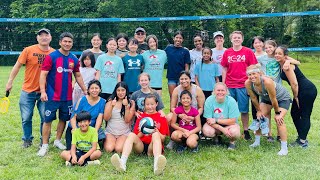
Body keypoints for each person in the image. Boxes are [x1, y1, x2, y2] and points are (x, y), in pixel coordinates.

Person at [38, 32, 87, 157]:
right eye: (65, 41)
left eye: (69, 42)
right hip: (52, 96)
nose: (67, 44)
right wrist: (43, 91)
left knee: (63, 119)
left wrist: (85, 90)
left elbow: (78, 75)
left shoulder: (74, 59)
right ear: (60, 42)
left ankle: (58, 141)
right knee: (47, 120)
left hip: (67, 97)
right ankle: (44, 145)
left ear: (72, 43)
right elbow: (43, 74)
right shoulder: (51, 57)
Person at [5, 28, 54, 148]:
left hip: (45, 92)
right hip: (28, 90)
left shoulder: (54, 53)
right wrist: (10, 82)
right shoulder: (28, 50)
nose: (43, 37)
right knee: (26, 118)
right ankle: (27, 140)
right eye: (40, 35)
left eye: (46, 35)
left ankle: (44, 141)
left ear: (50, 38)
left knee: (45, 117)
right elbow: (17, 66)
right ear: (37, 38)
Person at [110, 94, 169, 175]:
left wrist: (156, 131)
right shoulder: (141, 117)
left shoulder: (161, 117)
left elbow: (163, 139)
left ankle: (157, 166)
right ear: (144, 105)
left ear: (157, 104)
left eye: (152, 104)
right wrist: (142, 132)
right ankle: (122, 163)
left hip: (153, 147)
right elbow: (136, 137)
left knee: (155, 135)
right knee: (131, 135)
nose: (150, 107)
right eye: (147, 104)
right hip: (141, 147)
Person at [275, 46, 317, 148]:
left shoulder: (287, 66)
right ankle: (301, 137)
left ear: (285, 55)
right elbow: (297, 62)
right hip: (301, 90)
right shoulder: (283, 63)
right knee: (295, 113)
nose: (277, 55)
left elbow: (294, 84)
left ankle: (302, 141)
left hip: (306, 90)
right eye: (275, 53)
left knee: (304, 114)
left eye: (279, 53)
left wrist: (296, 97)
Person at [245, 64, 291, 155]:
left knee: (279, 120)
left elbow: (274, 99)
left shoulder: (267, 82)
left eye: (254, 73)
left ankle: (284, 148)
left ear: (259, 73)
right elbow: (254, 98)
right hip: (267, 99)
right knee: (259, 117)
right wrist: (258, 110)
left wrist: (278, 113)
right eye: (249, 74)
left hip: (282, 98)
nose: (252, 76)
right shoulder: (248, 83)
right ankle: (257, 142)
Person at [221, 31, 258, 140]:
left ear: (242, 39)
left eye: (238, 38)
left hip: (243, 85)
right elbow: (224, 68)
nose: (236, 39)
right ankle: (230, 129)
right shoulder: (227, 52)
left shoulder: (248, 52)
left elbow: (253, 68)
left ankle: (246, 131)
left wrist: (250, 84)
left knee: (244, 110)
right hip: (230, 85)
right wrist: (223, 84)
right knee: (229, 109)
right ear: (231, 39)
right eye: (234, 38)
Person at [167, 71, 205, 149]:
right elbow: (172, 107)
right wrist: (179, 115)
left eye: (186, 79)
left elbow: (201, 107)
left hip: (194, 115)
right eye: (181, 79)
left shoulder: (197, 90)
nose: (184, 81)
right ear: (179, 80)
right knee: (169, 117)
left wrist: (194, 117)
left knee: (191, 142)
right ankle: (173, 140)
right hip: (180, 114)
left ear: (190, 79)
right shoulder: (176, 90)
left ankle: (193, 137)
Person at [65, 80, 106, 150]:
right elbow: (73, 116)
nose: (94, 90)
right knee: (71, 148)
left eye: (96, 88)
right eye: (92, 88)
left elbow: (100, 118)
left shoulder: (102, 101)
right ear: (88, 90)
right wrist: (75, 130)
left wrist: (95, 132)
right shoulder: (82, 100)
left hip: (91, 127)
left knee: (100, 138)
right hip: (79, 125)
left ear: (100, 90)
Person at [202, 82, 241, 150]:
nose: (220, 92)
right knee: (207, 131)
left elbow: (232, 121)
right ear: (214, 91)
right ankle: (216, 138)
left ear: (226, 91)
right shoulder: (209, 100)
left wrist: (216, 120)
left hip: (229, 124)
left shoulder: (231, 101)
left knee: (235, 132)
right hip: (214, 125)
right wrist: (222, 129)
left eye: (222, 90)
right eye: (218, 90)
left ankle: (232, 142)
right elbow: (208, 120)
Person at [104, 82, 135, 153]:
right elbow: (106, 118)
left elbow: (127, 120)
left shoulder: (131, 103)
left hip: (124, 132)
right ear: (116, 91)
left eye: (123, 90)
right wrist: (112, 106)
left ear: (126, 91)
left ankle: (121, 142)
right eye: (118, 90)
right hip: (110, 132)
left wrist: (127, 107)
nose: (120, 92)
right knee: (109, 149)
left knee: (119, 149)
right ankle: (111, 141)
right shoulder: (110, 101)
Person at [165, 31, 191, 98]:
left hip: (182, 78)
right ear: (173, 38)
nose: (178, 39)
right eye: (177, 37)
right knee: (173, 97)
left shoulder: (185, 51)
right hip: (171, 77)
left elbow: (187, 66)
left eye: (180, 38)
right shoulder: (168, 49)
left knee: (182, 97)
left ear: (182, 40)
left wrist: (186, 77)